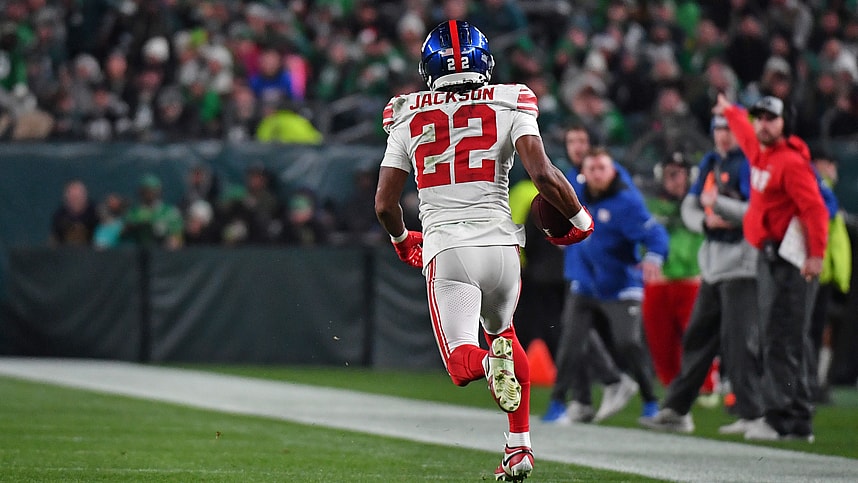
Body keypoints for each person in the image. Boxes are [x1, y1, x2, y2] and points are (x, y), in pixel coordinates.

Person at [374, 21, 593, 483]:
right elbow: (544, 174)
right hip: (503, 249)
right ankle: (519, 448)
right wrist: (579, 220)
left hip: (449, 251)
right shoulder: (514, 97)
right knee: (505, 334)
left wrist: (400, 241)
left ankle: (491, 365)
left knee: (462, 363)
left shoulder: (405, 112)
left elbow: (384, 204)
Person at [639, 114, 764, 435]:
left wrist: (719, 207)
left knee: (738, 342)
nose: (723, 135)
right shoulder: (711, 161)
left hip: (742, 264)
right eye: (719, 129)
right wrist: (708, 221)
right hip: (713, 264)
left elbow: (756, 212)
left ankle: (753, 414)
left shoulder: (750, 164)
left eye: (730, 129)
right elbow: (691, 208)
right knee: (697, 338)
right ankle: (678, 410)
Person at [715, 93, 829, 442]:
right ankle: (788, 417)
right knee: (778, 339)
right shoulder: (762, 153)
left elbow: (815, 210)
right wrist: (730, 111)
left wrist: (816, 254)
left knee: (785, 340)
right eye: (760, 117)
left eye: (771, 118)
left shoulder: (791, 163)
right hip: (771, 258)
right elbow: (746, 135)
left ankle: (789, 420)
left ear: (784, 122)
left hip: (790, 262)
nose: (763, 124)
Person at [552, 147, 668, 425]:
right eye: (591, 169)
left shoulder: (626, 202)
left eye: (602, 168)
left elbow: (655, 234)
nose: (596, 174)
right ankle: (562, 403)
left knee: (627, 342)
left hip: (620, 284)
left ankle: (651, 400)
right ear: (583, 173)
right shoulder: (576, 198)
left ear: (613, 171)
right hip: (585, 283)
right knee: (570, 342)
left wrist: (654, 256)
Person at [542, 124, 640, 425]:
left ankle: (566, 399)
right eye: (571, 140)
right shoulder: (571, 176)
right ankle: (586, 397)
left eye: (581, 140)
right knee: (576, 335)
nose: (576, 147)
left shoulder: (612, 176)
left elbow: (630, 212)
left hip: (608, 272)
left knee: (576, 336)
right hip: (579, 267)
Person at [641, 152, 712, 399]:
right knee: (661, 342)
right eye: (670, 173)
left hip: (691, 279)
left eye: (679, 173)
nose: (675, 179)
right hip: (659, 281)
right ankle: (672, 388)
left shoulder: (698, 203)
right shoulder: (650, 206)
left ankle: (706, 385)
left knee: (697, 335)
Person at [121, 173, 184, 250]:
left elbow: (177, 235)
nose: (149, 194)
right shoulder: (133, 212)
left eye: (152, 191)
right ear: (141, 192)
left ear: (159, 191)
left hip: (164, 253)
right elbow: (123, 234)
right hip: (137, 253)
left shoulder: (170, 212)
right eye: (146, 191)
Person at [50, 179, 99, 246]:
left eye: (78, 197)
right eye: (72, 198)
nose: (75, 201)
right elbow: (54, 241)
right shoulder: (59, 217)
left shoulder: (96, 214)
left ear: (85, 197)